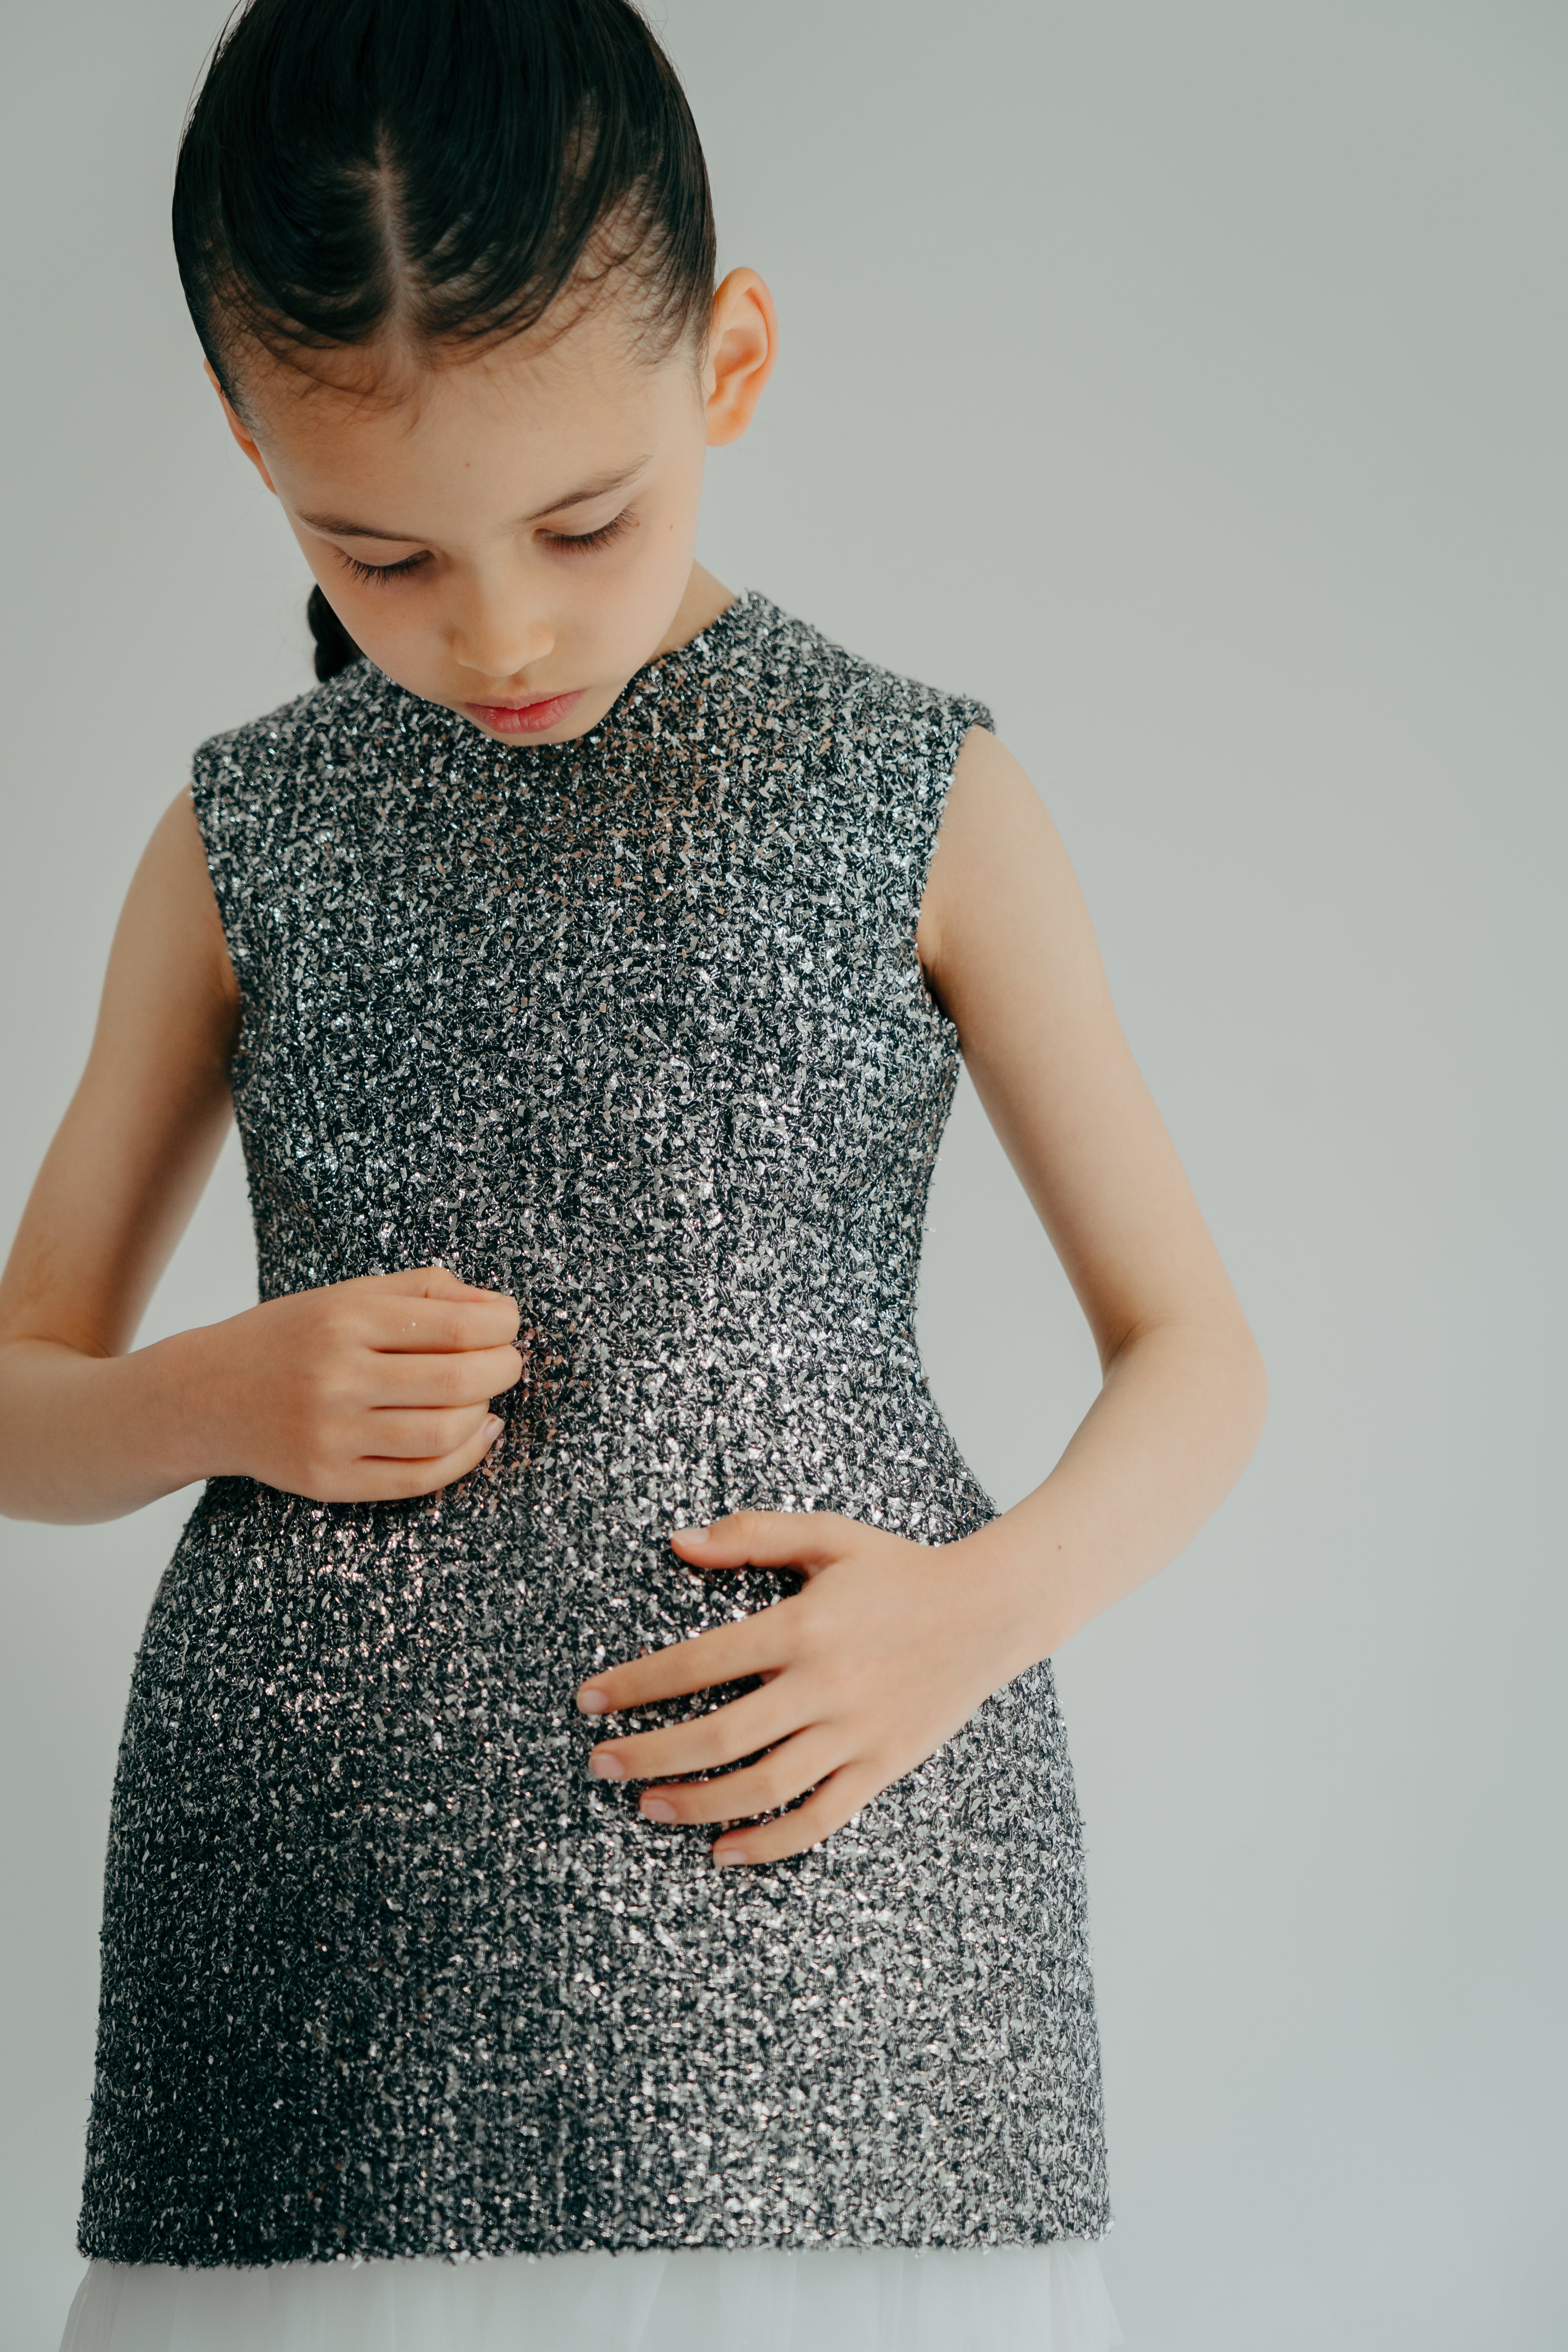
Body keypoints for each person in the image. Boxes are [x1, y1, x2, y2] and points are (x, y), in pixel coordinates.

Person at [0, 1, 1267, 2345]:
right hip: (322, 1970)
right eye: (374, 552)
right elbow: (19, 1389)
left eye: (584, 520)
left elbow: (1198, 1352)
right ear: (247, 442)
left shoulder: (915, 788)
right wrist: (213, 1396)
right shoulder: (236, 839)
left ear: (734, 361)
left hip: (848, 1934)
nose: (497, 628)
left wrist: (970, 1623)